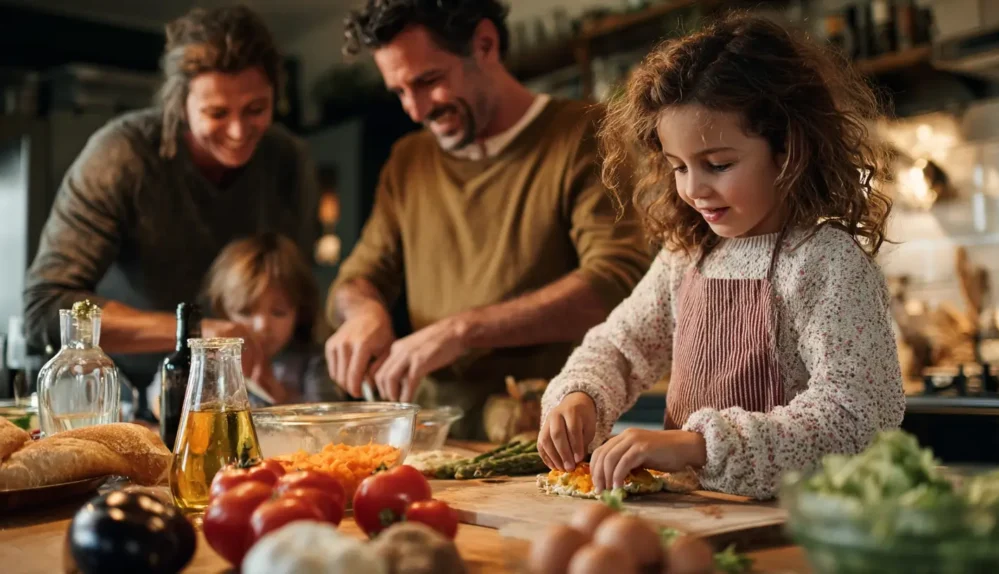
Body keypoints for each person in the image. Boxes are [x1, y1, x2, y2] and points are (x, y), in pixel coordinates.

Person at [538, 14, 905, 499]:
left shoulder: (826, 263)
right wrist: (580, 395)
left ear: (788, 149)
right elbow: (620, 348)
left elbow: (855, 416)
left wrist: (697, 446)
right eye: (677, 167)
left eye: (718, 164)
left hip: (794, 528)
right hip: (694, 518)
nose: (694, 189)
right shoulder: (687, 256)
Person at [329, 0, 652, 439]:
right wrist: (364, 312)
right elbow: (354, 281)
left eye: (429, 80)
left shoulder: (585, 134)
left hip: (548, 435)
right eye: (400, 91)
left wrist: (462, 331)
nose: (415, 109)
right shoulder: (409, 161)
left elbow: (615, 284)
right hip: (433, 438)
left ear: (485, 44)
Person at [23, 5, 317, 410]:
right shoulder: (122, 154)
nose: (238, 132)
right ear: (179, 105)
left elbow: (297, 294)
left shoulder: (288, 161)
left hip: (229, 399)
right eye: (216, 113)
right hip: (114, 396)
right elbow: (46, 307)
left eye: (256, 109)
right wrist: (196, 332)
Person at [147, 233, 344, 412]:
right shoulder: (207, 358)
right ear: (222, 310)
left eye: (278, 312)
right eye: (245, 312)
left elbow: (328, 419)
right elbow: (158, 398)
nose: (262, 325)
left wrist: (281, 396)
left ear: (300, 312)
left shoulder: (312, 362)